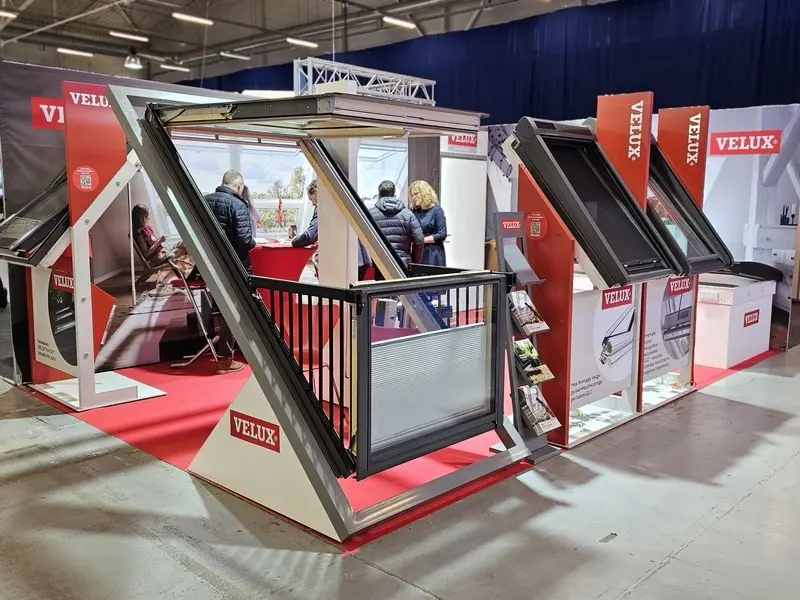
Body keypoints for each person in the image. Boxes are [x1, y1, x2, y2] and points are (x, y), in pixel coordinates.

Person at [204, 170, 256, 374]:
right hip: (234, 267)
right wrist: (252, 242)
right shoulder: (238, 204)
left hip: (211, 266)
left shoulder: (205, 200)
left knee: (222, 307)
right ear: (239, 186)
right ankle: (225, 359)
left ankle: (222, 354)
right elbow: (244, 241)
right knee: (234, 310)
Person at [369, 180, 423, 278]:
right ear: (395, 194)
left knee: (382, 288)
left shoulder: (370, 214)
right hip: (403, 264)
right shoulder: (408, 214)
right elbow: (419, 240)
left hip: (380, 264)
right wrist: (414, 262)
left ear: (379, 195)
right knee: (402, 288)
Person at [131, 204, 194, 278]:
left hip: (164, 252)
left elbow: (153, 243)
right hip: (159, 258)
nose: (149, 217)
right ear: (141, 218)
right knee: (183, 248)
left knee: (185, 242)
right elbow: (146, 254)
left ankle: (192, 267)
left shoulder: (148, 228)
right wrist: (159, 241)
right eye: (147, 216)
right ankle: (193, 269)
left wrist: (160, 240)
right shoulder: (139, 233)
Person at [409, 180, 448, 267]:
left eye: (416, 194)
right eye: (412, 195)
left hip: (433, 253)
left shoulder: (437, 210)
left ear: (424, 193)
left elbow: (442, 234)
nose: (413, 197)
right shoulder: (413, 211)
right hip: (418, 252)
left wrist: (422, 240)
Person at [292, 180, 319, 248]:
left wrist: (294, 241)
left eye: (311, 199)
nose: (313, 204)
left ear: (315, 191)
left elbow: (309, 236)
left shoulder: (321, 208)